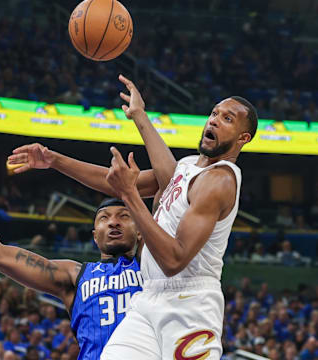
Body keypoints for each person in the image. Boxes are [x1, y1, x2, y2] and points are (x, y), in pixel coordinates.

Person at [100, 76, 257, 359]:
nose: (214, 121)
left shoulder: (220, 180)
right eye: (214, 113)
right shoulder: (186, 167)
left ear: (243, 137)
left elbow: (174, 260)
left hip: (190, 304)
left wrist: (130, 197)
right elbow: (123, 179)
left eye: (227, 119)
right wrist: (53, 160)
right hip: (148, 298)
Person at [0, 197, 143, 360]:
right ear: (95, 236)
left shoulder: (153, 267)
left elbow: (165, 184)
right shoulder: (74, 275)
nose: (113, 222)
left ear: (140, 232)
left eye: (124, 216)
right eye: (104, 217)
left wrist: (130, 190)